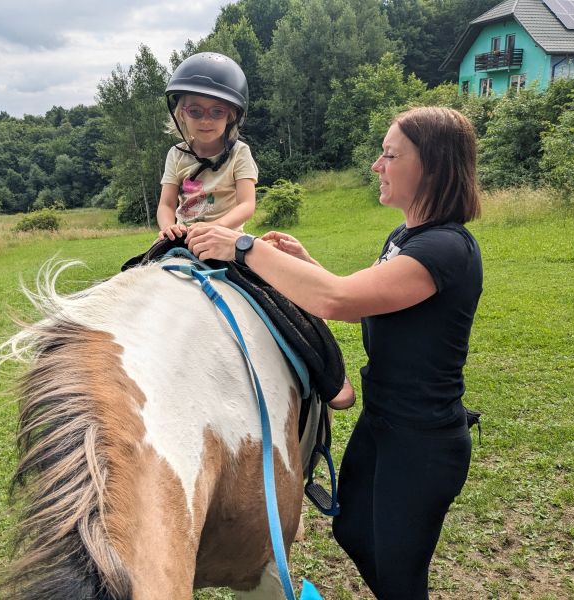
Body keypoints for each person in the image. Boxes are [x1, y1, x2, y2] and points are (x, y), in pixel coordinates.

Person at [185, 106, 483, 599]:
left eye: (390, 155)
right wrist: (308, 264)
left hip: (423, 442)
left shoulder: (447, 249)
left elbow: (337, 300)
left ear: (431, 165)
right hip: (383, 422)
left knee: (400, 578)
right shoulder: (405, 238)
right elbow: (367, 301)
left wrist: (241, 246)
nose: (376, 165)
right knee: (349, 530)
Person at [157, 52, 258, 241]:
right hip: (184, 238)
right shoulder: (176, 155)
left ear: (230, 116)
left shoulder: (239, 153)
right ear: (181, 115)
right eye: (195, 111)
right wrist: (168, 228)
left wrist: (213, 228)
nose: (205, 120)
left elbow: (247, 205)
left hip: (226, 238)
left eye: (217, 111)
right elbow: (166, 204)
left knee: (259, 267)